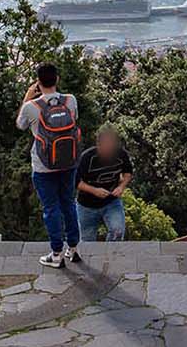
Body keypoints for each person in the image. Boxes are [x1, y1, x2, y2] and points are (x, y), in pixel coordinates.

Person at [16, 62, 82, 268]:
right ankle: (73, 248)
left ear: (38, 82)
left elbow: (20, 124)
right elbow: (74, 120)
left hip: (43, 166)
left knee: (51, 208)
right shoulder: (70, 100)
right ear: (57, 79)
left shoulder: (31, 107)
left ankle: (56, 254)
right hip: (68, 163)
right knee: (69, 203)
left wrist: (28, 96)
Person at [76, 125, 133, 242]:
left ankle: (110, 256)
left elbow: (128, 172)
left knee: (118, 231)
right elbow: (75, 182)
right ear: (98, 144)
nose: (108, 150)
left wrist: (121, 187)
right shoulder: (87, 158)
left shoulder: (121, 154)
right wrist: (94, 190)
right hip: (87, 205)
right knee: (87, 240)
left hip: (111, 201)